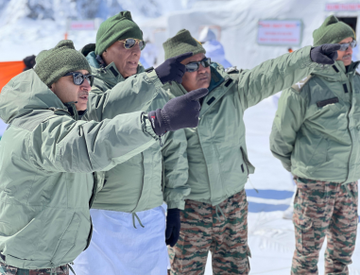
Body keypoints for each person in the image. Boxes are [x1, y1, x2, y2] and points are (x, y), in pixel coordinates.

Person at [0, 39, 206, 275]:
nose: (86, 85)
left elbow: (106, 111)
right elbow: (90, 144)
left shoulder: (64, 116)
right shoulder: (40, 128)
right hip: (29, 267)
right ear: (51, 84)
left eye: (89, 77)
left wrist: (153, 80)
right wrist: (158, 122)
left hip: (47, 261)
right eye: (76, 78)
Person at [161, 29, 340, 274]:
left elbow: (270, 73)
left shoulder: (231, 89)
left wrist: (307, 57)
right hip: (190, 210)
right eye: (193, 65)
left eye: (204, 61)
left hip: (233, 204)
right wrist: (172, 206)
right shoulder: (163, 108)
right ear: (176, 71)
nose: (203, 69)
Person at [73, 11, 193, 275]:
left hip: (149, 218)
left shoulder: (151, 86)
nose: (136, 51)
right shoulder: (86, 85)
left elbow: (173, 149)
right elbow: (102, 113)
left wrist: (174, 205)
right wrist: (153, 80)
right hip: (101, 218)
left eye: (140, 44)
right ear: (105, 48)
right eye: (127, 43)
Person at [270, 15, 359, 274]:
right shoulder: (304, 86)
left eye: (351, 42)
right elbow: (280, 138)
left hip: (349, 184)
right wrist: (302, 168)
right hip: (315, 185)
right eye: (342, 45)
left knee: (342, 257)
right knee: (307, 257)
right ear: (326, 48)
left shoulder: (356, 82)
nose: (349, 49)